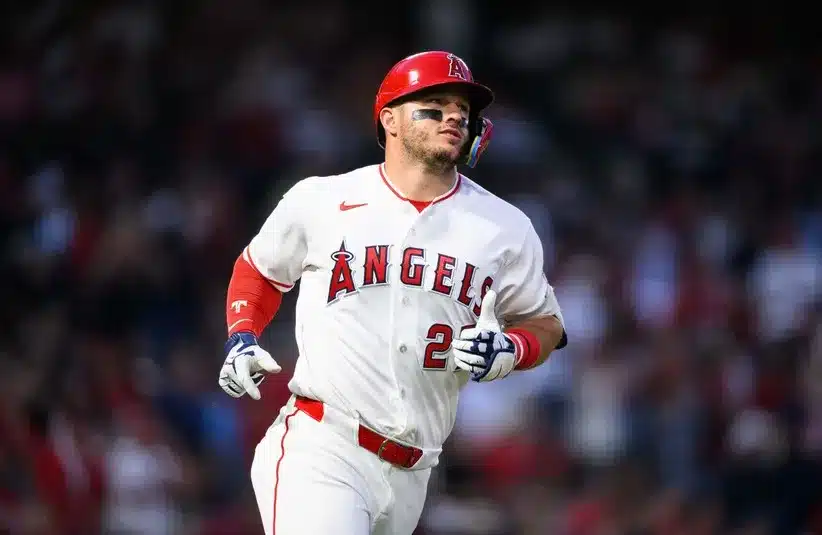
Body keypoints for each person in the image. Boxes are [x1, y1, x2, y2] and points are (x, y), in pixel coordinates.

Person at [217, 50, 568, 535]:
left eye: (462, 111)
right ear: (390, 120)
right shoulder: (323, 199)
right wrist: (243, 334)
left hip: (415, 472)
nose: (453, 117)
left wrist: (512, 348)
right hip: (324, 447)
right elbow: (259, 269)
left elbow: (545, 323)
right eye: (434, 104)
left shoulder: (505, 227)